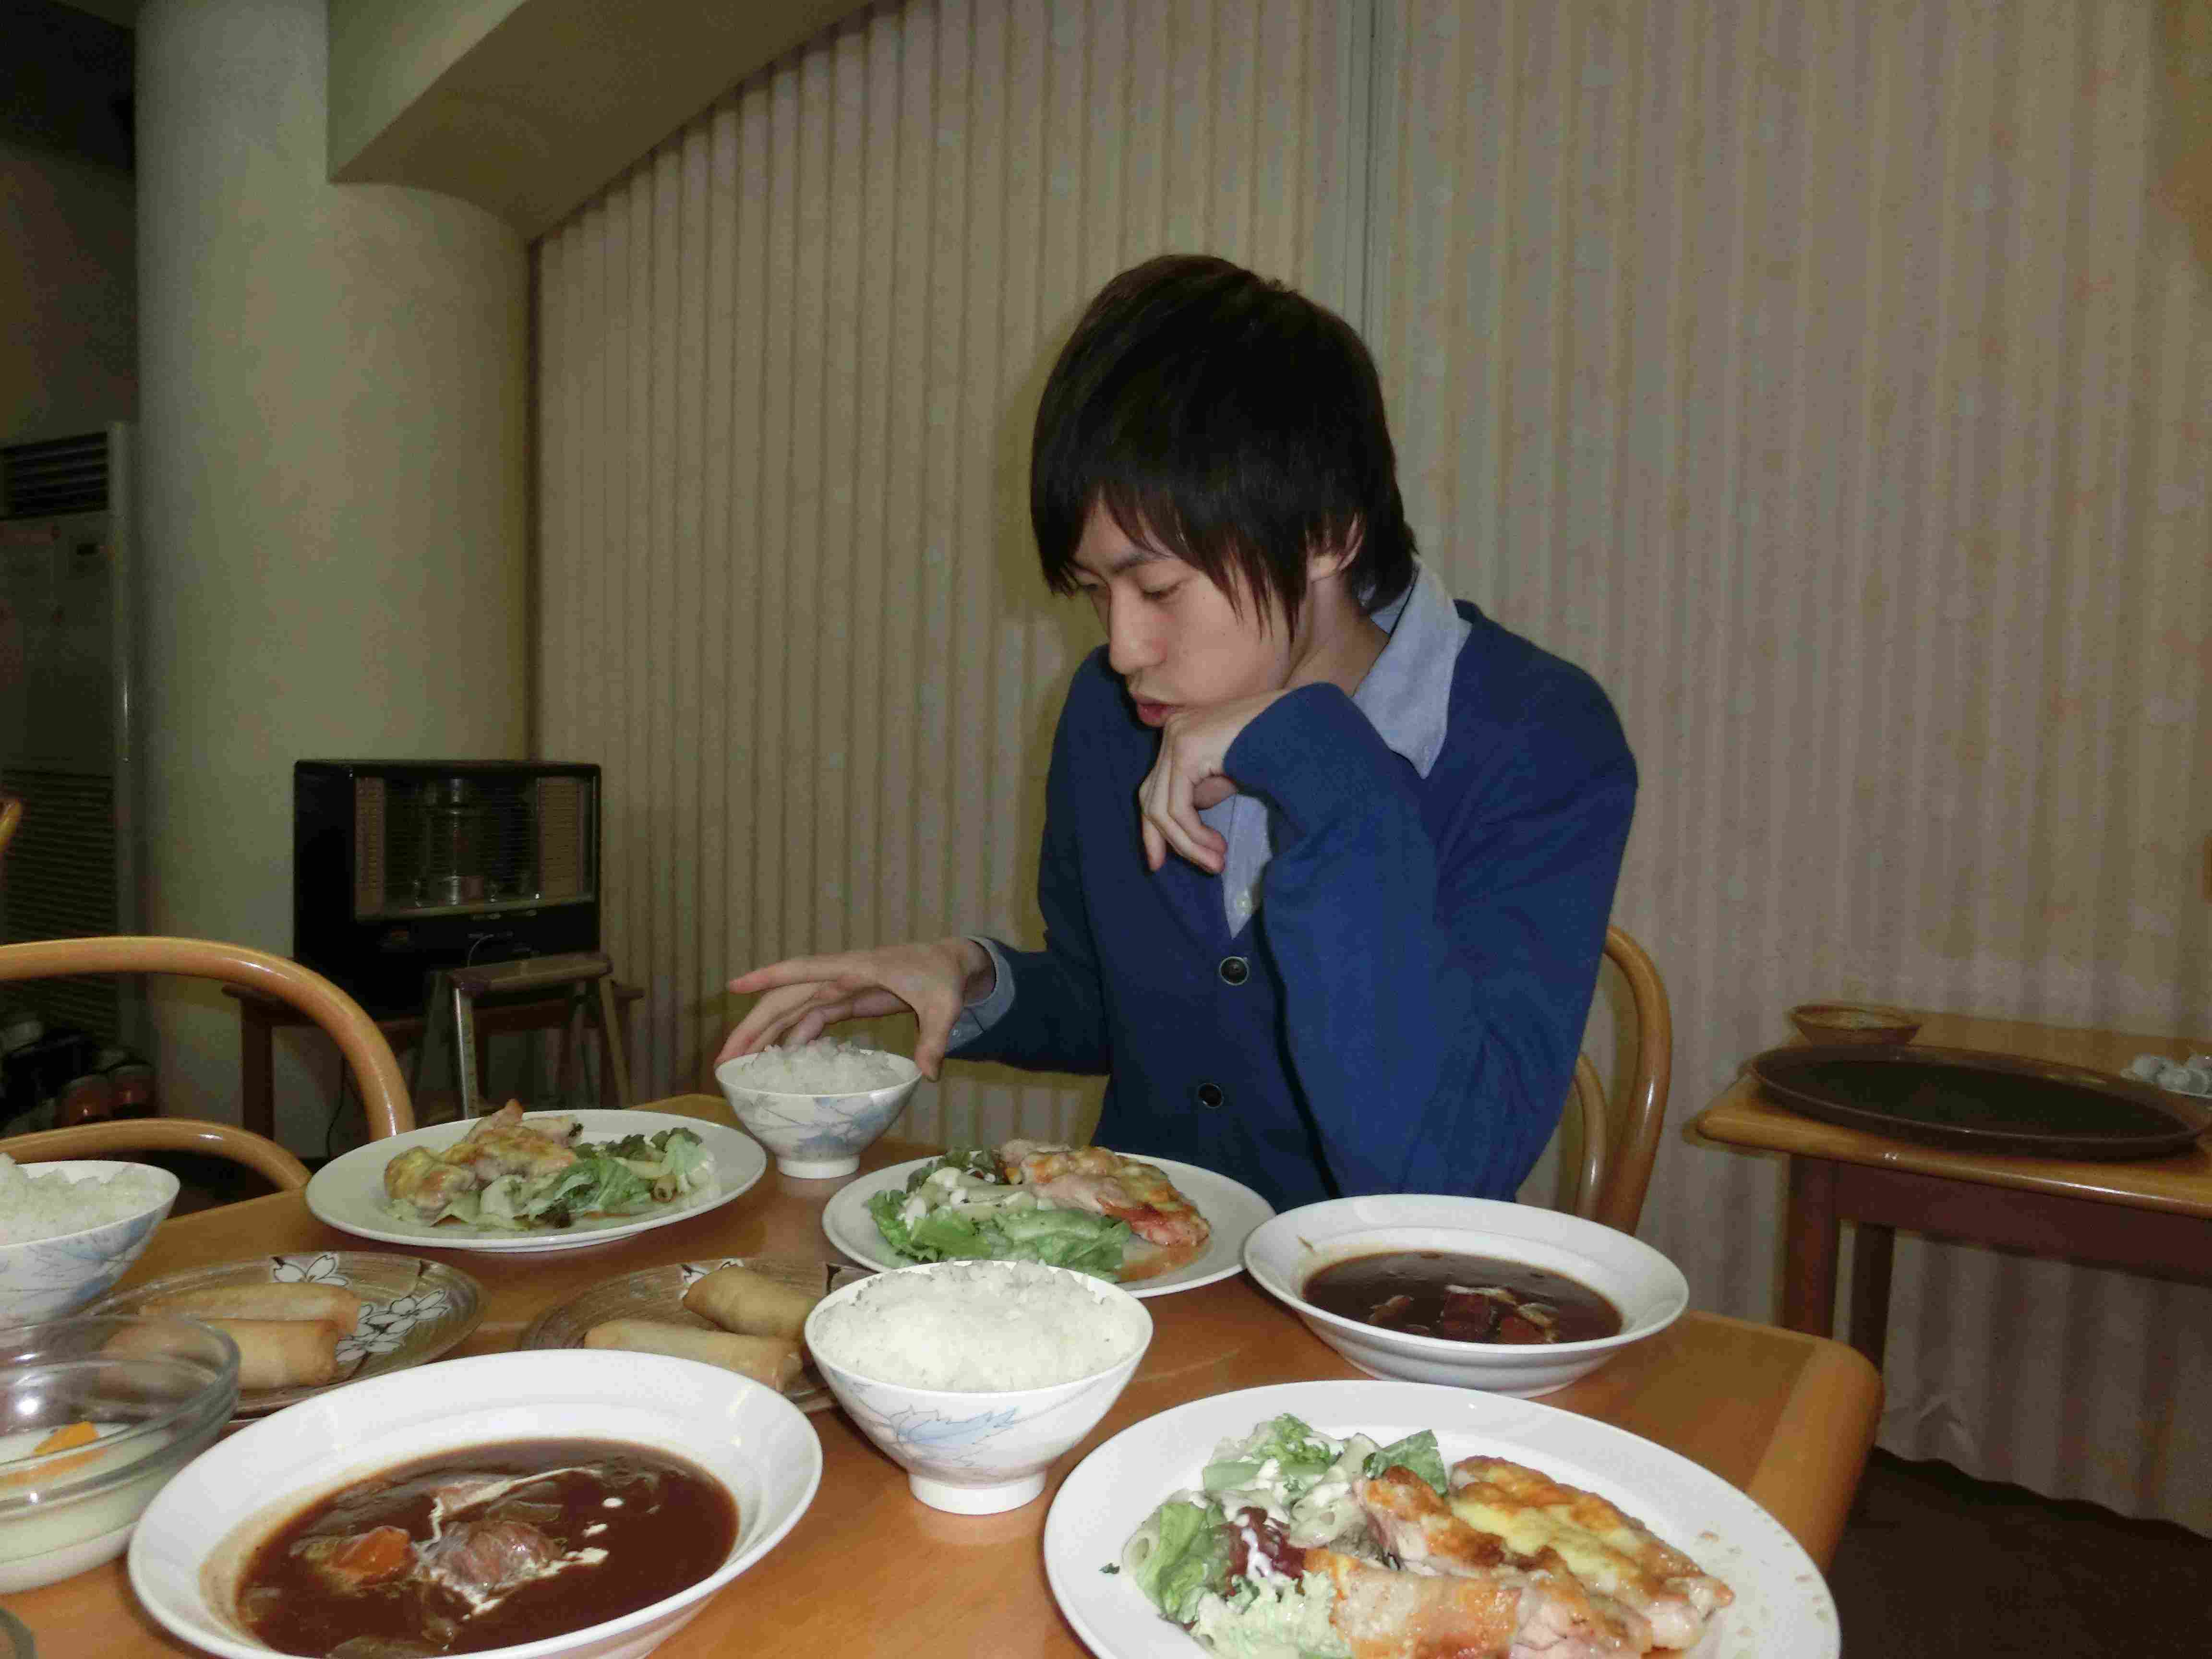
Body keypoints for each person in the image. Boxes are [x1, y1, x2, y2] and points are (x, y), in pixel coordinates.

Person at [720, 253, 1635, 1211]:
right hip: (1136, 1271)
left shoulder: (1537, 737)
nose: (1123, 649)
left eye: (1158, 588)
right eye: (1094, 591)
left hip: (1373, 1292)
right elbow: (1117, 1007)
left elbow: (1445, 1170)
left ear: (1328, 532)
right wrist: (972, 975)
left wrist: (1318, 761)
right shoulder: (1111, 714)